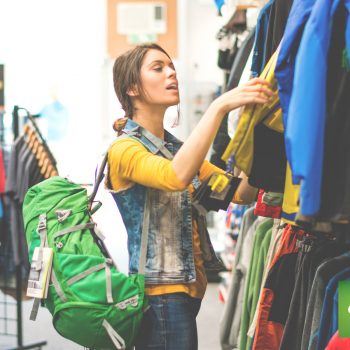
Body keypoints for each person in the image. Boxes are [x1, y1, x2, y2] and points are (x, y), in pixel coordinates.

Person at [106, 43, 273, 350]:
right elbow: (174, 177)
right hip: (159, 297)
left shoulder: (178, 150)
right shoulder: (123, 150)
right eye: (158, 68)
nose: (172, 73)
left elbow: (241, 193)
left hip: (187, 292)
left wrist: (253, 133)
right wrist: (217, 108)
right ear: (131, 87)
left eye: (171, 67)